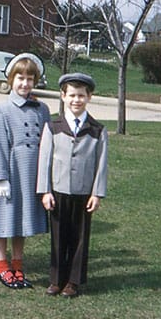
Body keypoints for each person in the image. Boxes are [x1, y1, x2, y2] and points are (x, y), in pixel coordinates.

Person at [36, 73, 108, 298]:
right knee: (59, 236)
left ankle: (73, 281)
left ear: (89, 97)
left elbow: (101, 163)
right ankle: (56, 280)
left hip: (83, 192)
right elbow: (44, 160)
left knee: (79, 237)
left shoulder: (97, 129)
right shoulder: (53, 126)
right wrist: (45, 190)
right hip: (58, 190)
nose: (76, 100)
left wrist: (97, 193)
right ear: (63, 96)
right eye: (72, 95)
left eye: (81, 96)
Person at [0, 53, 50, 289]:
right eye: (20, 78)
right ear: (11, 79)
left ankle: (18, 264)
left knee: (22, 219)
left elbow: (46, 144)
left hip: (31, 172)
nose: (25, 83)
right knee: (5, 218)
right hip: (11, 171)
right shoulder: (2, 109)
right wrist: (1, 178)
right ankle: (1, 266)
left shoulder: (42, 109)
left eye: (30, 79)